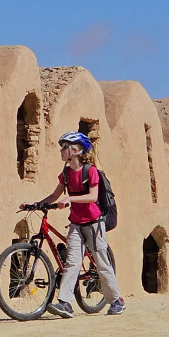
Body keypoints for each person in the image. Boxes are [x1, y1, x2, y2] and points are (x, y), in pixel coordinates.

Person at [25, 131, 124, 317]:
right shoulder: (65, 173)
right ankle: (65, 303)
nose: (61, 150)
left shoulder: (90, 171)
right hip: (76, 224)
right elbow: (55, 196)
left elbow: (93, 197)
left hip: (94, 223)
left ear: (76, 151)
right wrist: (35, 204)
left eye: (64, 147)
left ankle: (117, 300)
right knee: (72, 262)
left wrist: (70, 199)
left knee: (102, 262)